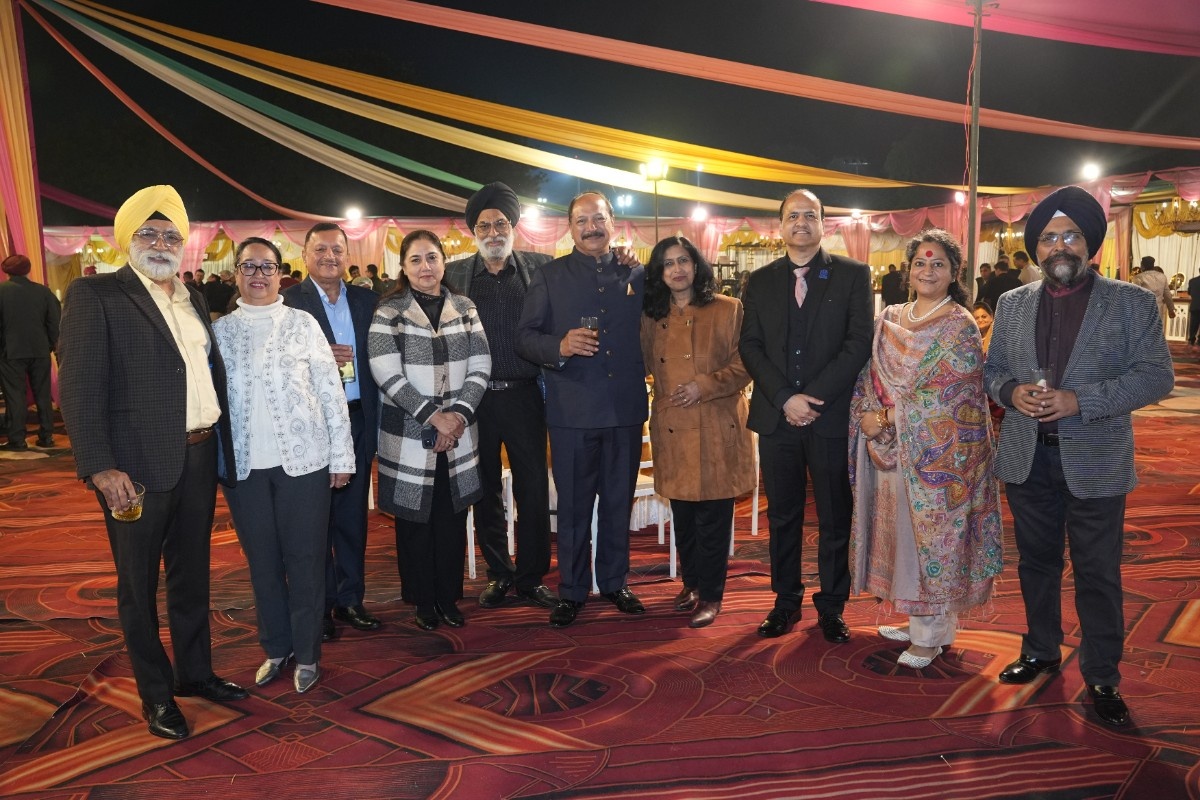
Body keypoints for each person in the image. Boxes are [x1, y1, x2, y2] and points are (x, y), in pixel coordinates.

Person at [57, 185, 247, 740]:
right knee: (137, 585)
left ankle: (195, 673)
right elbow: (79, 387)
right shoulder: (96, 294)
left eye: (170, 235)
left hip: (198, 454)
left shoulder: (193, 298)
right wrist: (100, 467)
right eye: (149, 233)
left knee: (192, 574)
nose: (161, 244)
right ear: (128, 239)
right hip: (133, 468)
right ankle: (157, 695)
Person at [985, 186, 1174, 727]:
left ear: (1090, 243)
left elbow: (1156, 376)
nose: (1059, 246)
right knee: (1037, 564)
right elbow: (993, 370)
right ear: (1036, 247)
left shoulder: (1131, 302)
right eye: (1048, 238)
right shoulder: (1012, 303)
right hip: (1028, 459)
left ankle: (1102, 674)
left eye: (1071, 236)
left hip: (1097, 462)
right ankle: (1041, 650)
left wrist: (1080, 401)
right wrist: (1010, 392)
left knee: (1097, 572)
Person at [849, 229, 1003, 669]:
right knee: (900, 533)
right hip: (890, 448)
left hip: (939, 453)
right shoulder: (890, 317)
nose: (928, 271)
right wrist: (871, 414)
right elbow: (870, 375)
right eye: (920, 263)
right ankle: (916, 616)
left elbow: (954, 394)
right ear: (908, 270)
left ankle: (930, 636)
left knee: (934, 540)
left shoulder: (959, 324)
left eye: (938, 264)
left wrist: (889, 417)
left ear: (954, 273)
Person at [215, 238, 354, 693]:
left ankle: (308, 653)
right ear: (236, 273)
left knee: (307, 560)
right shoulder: (219, 333)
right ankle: (275, 647)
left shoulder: (303, 324)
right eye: (248, 266)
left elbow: (331, 392)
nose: (258, 274)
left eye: (267, 266)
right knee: (263, 563)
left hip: (305, 462)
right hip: (244, 470)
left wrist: (342, 456)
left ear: (281, 273)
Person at [739, 188, 873, 641]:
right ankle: (785, 601)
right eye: (793, 215)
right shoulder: (760, 281)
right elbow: (750, 346)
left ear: (822, 223)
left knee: (835, 516)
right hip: (777, 418)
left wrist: (811, 398)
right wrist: (784, 398)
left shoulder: (853, 275)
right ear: (780, 225)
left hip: (829, 416)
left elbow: (858, 343)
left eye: (810, 215)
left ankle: (832, 605)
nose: (801, 222)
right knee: (782, 516)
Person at [515, 191, 648, 628]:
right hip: (571, 412)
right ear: (569, 228)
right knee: (572, 507)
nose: (591, 227)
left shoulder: (635, 272)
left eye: (598, 219)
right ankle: (571, 590)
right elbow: (524, 338)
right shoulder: (550, 276)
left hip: (625, 410)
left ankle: (614, 582)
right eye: (581, 221)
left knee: (618, 503)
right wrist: (561, 345)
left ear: (613, 222)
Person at [369, 230, 490, 631]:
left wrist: (457, 416)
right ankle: (423, 600)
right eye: (416, 260)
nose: (426, 267)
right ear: (403, 267)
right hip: (409, 431)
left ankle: (448, 598)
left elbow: (481, 365)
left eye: (432, 258)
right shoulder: (389, 311)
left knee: (452, 516)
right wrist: (433, 417)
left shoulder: (465, 307)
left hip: (458, 431)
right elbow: (386, 372)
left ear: (443, 262)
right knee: (414, 519)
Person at [445, 182, 557, 610]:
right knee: (484, 489)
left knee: (533, 489)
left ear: (513, 227)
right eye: (484, 226)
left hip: (526, 395)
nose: (493, 232)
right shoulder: (456, 275)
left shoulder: (541, 268)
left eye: (500, 224)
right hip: (474, 402)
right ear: (473, 231)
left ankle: (531, 577)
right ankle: (498, 573)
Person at [641, 236, 755, 628]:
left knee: (714, 518)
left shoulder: (728, 308)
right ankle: (690, 584)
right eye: (667, 263)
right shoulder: (651, 316)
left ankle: (711, 595)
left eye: (683, 261)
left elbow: (746, 364)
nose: (677, 270)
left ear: (696, 265)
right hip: (673, 426)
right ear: (659, 273)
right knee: (683, 516)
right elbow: (642, 364)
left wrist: (703, 386)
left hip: (717, 423)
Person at [284, 224, 382, 640]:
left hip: (358, 418)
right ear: (305, 255)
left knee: (353, 516)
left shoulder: (367, 301)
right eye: (320, 249)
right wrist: (319, 356)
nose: (330, 256)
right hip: (312, 423)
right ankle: (319, 605)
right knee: (314, 520)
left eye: (337, 250)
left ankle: (351, 599)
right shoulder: (288, 302)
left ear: (347, 255)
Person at [0, 254, 60, 450]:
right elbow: (54, 322)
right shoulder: (43, 292)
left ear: (6, 271)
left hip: (10, 352)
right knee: (43, 394)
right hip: (40, 350)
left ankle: (17, 440)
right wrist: (49, 345)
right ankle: (47, 437)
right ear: (28, 270)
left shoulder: (2, 291)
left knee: (15, 396)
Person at [1132, 256, 1176, 334]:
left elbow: (1135, 296)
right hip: (1158, 309)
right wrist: (1171, 309)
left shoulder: (1138, 278)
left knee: (1144, 333)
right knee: (1157, 332)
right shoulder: (1162, 277)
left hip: (1144, 311)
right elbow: (1167, 295)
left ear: (1143, 265)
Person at [1187, 271, 1200, 350]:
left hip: (1195, 306)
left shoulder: (1192, 281)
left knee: (1193, 325)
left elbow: (1189, 292)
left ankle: (1191, 340)